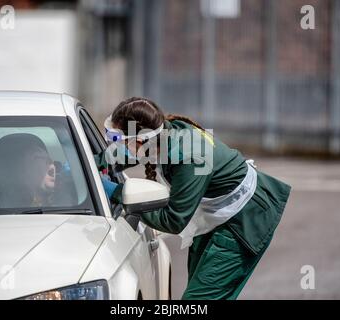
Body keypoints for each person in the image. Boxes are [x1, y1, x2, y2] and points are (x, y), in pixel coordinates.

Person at [97, 97, 291, 300]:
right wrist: (86, 165)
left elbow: (173, 220)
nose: (115, 145)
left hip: (243, 221)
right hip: (216, 216)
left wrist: (117, 193)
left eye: (118, 139)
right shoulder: (163, 134)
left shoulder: (188, 157)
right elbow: (129, 153)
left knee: (197, 301)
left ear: (140, 139)